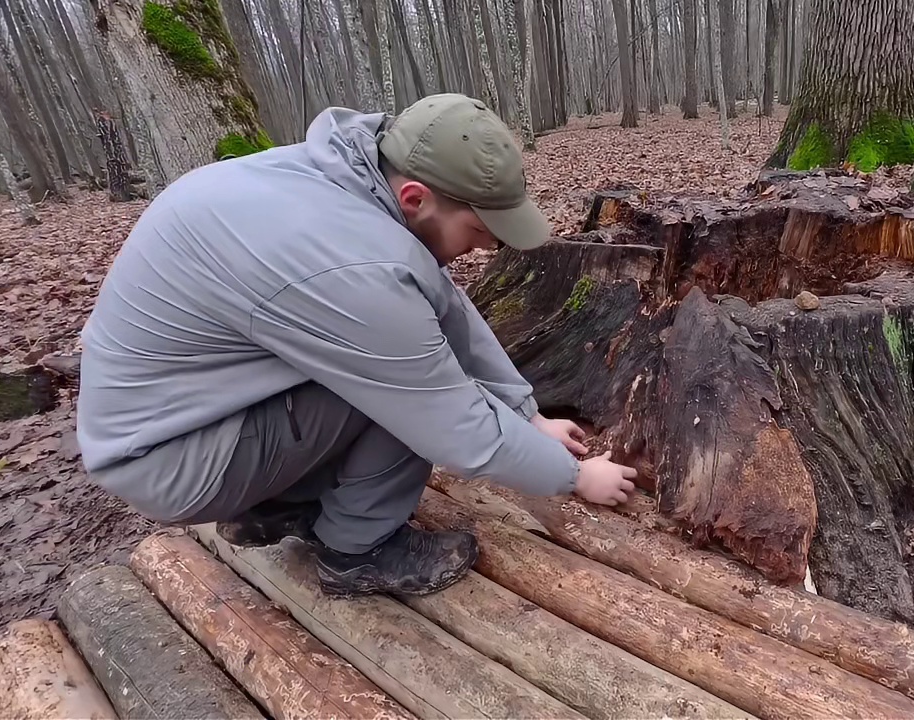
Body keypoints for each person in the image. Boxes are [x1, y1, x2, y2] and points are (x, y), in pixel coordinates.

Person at [76, 93, 639, 598]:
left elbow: (443, 304)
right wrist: (574, 477)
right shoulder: (349, 267)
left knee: (396, 367)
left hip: (183, 415)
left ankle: (277, 506)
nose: (488, 247)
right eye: (479, 231)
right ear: (416, 197)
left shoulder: (340, 182)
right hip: (170, 459)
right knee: (401, 397)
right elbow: (453, 423)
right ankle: (356, 553)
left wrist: (528, 415)